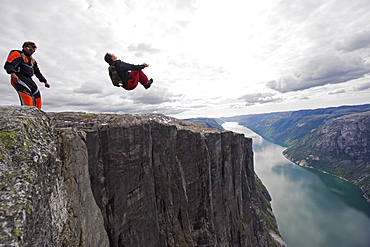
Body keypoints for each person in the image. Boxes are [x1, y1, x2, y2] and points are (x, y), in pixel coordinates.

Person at [4, 41, 50, 109]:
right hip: (19, 78)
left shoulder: (32, 60)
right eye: (31, 50)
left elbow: (37, 72)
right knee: (27, 98)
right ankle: (27, 115)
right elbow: (8, 64)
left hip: (29, 79)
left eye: (34, 51)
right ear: (25, 48)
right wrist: (12, 73)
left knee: (37, 97)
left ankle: (38, 116)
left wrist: (44, 81)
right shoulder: (17, 54)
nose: (32, 52)